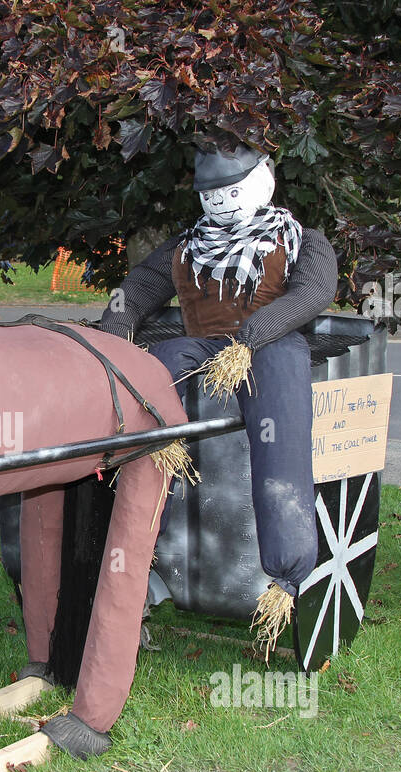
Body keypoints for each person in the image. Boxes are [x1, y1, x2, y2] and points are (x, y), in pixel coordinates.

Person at [100, 145, 338, 655]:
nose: (224, 204)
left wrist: (256, 333)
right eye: (213, 195)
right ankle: (131, 561)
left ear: (262, 182)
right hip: (201, 343)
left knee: (282, 442)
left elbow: (314, 292)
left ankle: (287, 575)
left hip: (270, 345)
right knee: (140, 385)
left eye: (233, 191)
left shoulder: (301, 240)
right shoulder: (185, 247)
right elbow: (139, 289)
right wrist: (117, 329)